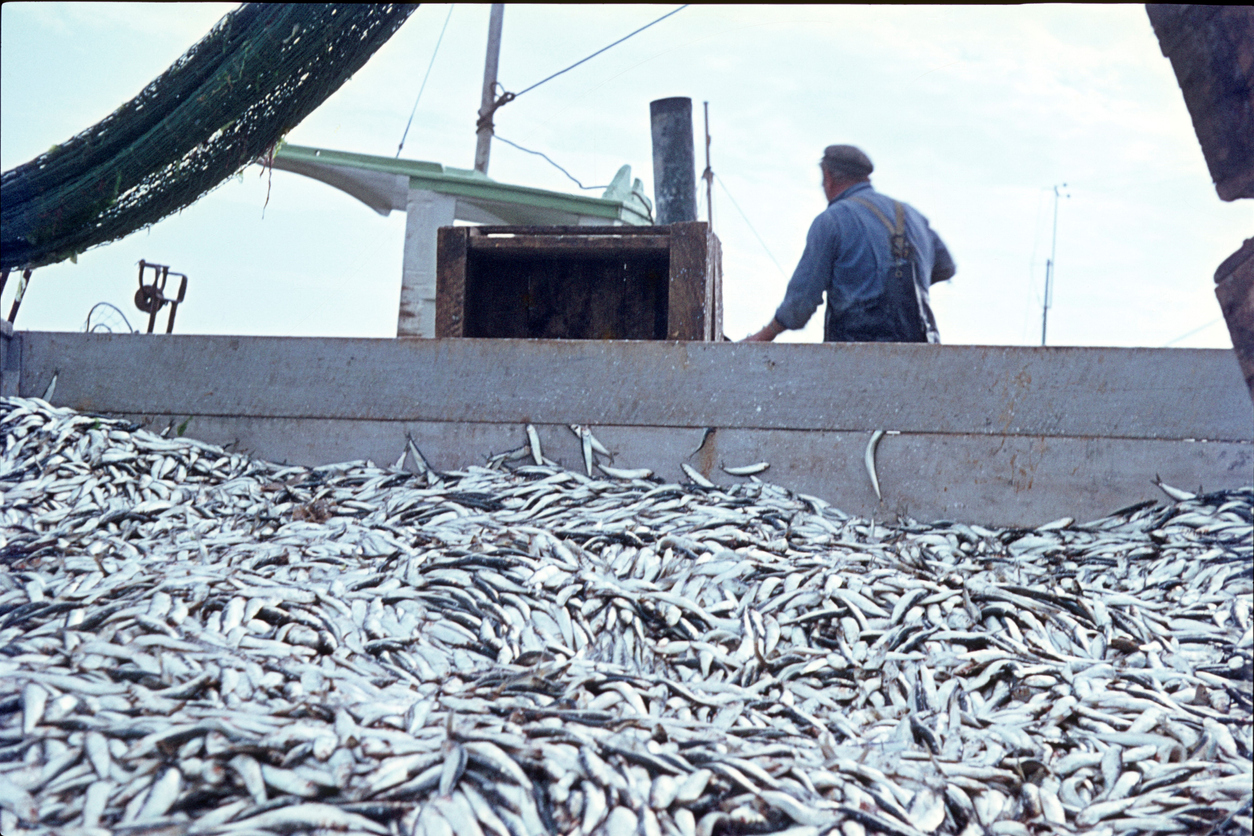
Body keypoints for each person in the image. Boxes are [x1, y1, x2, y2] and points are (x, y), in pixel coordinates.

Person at [743, 145, 955, 343]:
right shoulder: (912, 215)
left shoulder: (831, 221)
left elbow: (800, 305)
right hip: (922, 353)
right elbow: (946, 267)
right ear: (865, 177)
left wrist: (763, 336)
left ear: (828, 177)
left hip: (855, 357)